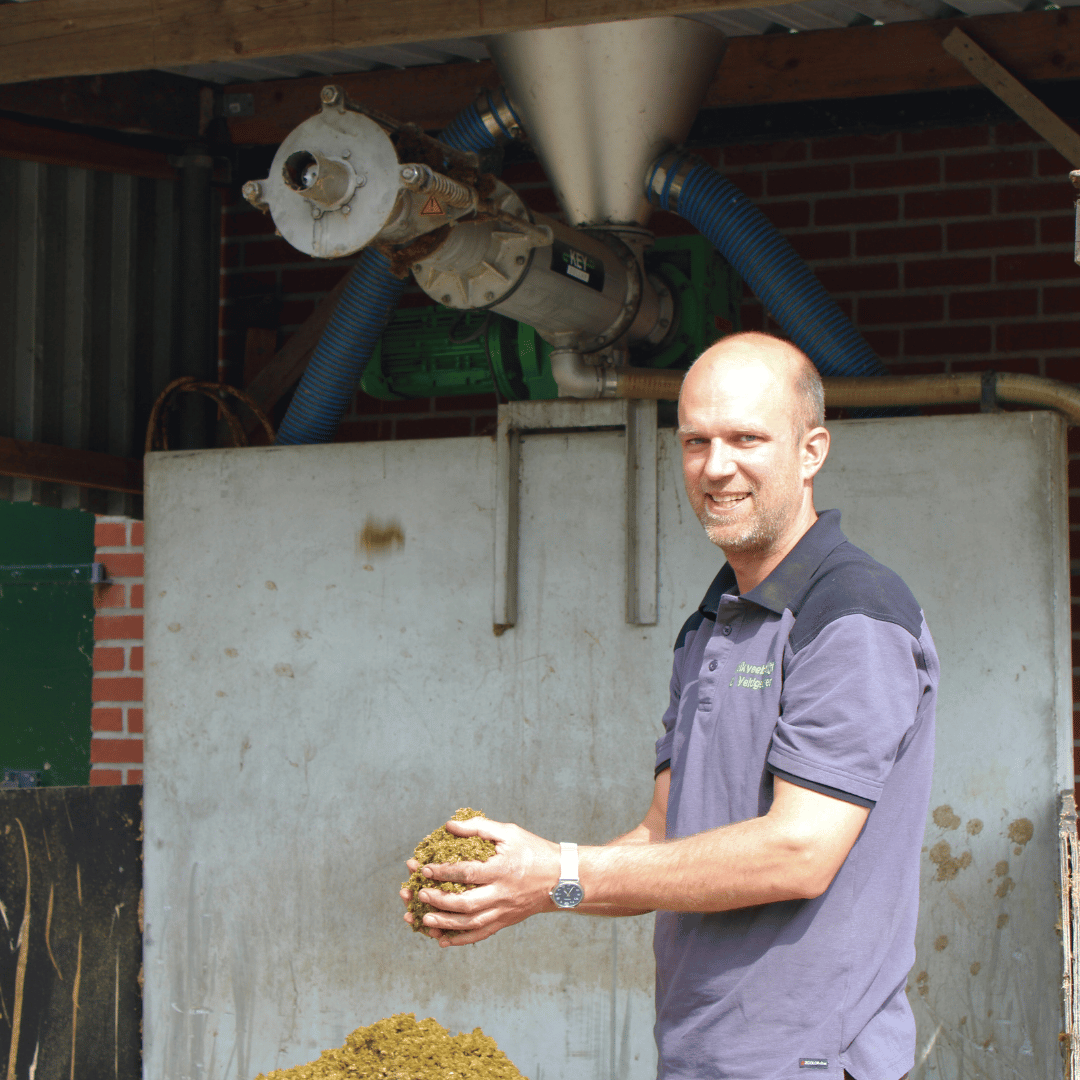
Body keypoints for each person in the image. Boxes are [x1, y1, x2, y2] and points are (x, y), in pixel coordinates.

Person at [401, 331, 937, 1080]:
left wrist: (560, 871)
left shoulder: (852, 614)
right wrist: (515, 883)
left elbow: (800, 851)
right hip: (701, 1057)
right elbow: (663, 834)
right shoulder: (714, 619)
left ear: (812, 451)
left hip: (808, 1064)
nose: (716, 467)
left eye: (747, 438)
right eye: (695, 441)